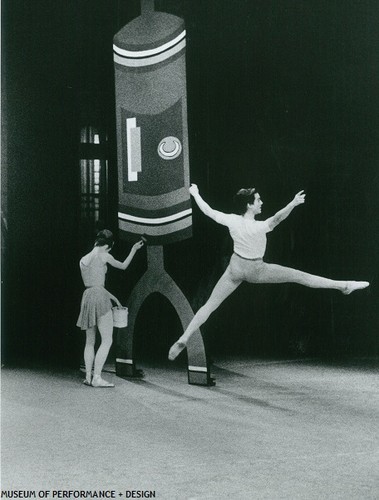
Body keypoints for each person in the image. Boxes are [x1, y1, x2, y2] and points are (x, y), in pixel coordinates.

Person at [168, 184, 369, 360]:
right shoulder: (258, 227)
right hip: (256, 271)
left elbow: (209, 211)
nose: (261, 202)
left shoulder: (232, 221)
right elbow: (277, 219)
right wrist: (293, 203)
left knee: (209, 305)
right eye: (258, 200)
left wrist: (195, 193)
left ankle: (184, 337)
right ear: (249, 205)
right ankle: (344, 285)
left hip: (235, 269)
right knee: (301, 277)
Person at [77, 230, 144, 387]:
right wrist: (134, 249)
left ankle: (88, 376)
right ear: (108, 245)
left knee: (89, 341)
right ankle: (97, 378)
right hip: (100, 298)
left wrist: (113, 297)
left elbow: (94, 285)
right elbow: (123, 266)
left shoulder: (83, 260)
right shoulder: (104, 256)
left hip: (87, 297)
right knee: (107, 339)